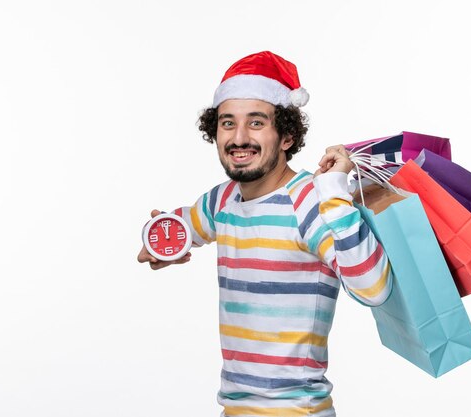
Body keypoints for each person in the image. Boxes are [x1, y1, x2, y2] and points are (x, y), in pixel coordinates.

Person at [137, 51, 392, 417]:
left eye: (256, 123)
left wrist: (335, 193)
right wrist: (161, 243)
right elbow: (185, 224)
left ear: (287, 135)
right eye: (227, 123)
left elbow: (374, 289)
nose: (239, 138)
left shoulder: (309, 201)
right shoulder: (222, 199)